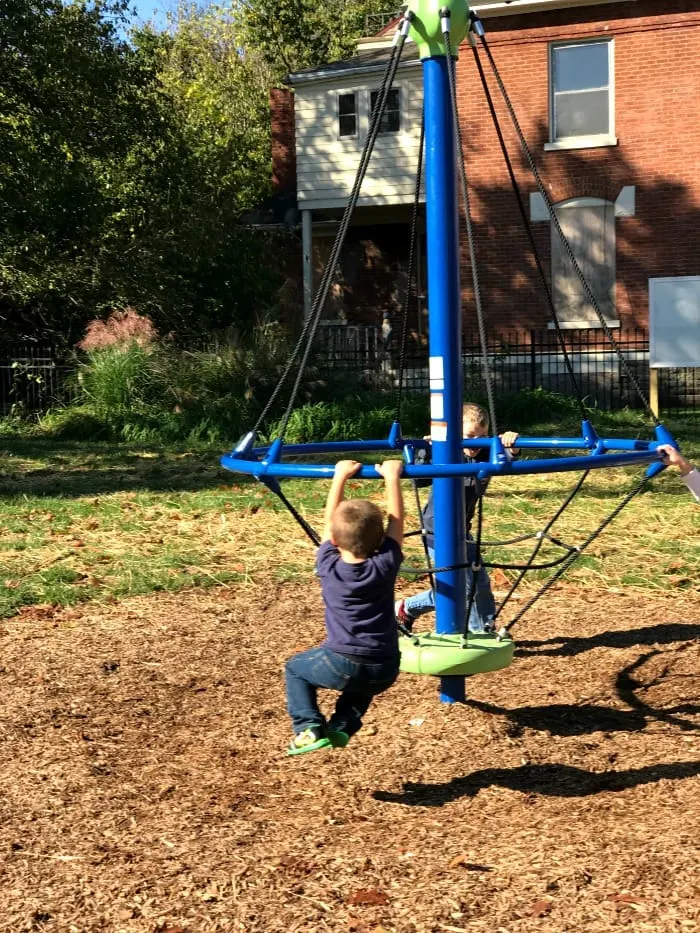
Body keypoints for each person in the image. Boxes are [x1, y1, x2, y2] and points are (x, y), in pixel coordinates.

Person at [285, 458, 405, 756]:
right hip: (386, 666)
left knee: (295, 670)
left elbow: (329, 524)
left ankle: (308, 728)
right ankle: (343, 723)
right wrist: (392, 477)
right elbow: (398, 522)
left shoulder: (328, 564)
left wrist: (339, 476)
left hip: (341, 661)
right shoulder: (386, 564)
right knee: (364, 683)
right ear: (380, 541)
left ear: (335, 541)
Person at [395, 402, 519, 634]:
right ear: (454, 434)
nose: (475, 443)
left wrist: (510, 446)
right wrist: (428, 449)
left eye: (481, 436)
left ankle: (408, 608)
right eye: (470, 436)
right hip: (437, 530)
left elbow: (506, 462)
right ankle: (479, 632)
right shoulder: (445, 452)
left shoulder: (485, 452)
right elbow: (418, 480)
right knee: (462, 586)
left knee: (479, 584)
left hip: (463, 529)